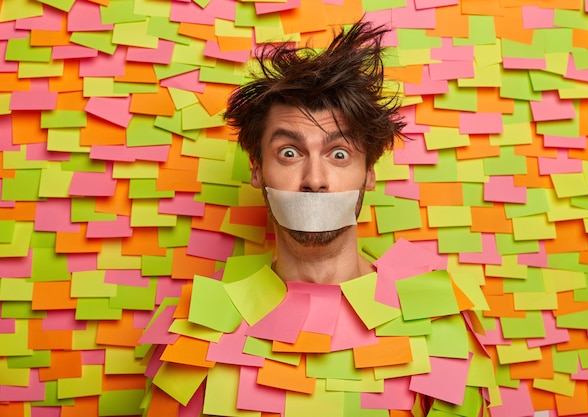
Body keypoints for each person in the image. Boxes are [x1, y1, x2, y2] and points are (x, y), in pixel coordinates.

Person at [140, 20, 492, 417]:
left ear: (368, 173)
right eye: (289, 153)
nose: (315, 180)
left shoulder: (440, 322)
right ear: (257, 170)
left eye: (339, 154)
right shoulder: (194, 331)